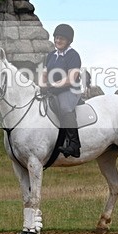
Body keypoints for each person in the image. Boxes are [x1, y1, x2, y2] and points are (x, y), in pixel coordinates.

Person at [39, 24, 82, 158]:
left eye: (61, 39)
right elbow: (44, 74)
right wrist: (40, 85)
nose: (58, 41)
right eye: (56, 38)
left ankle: (74, 145)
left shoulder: (73, 55)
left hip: (70, 90)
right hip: (53, 90)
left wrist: (52, 85)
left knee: (64, 107)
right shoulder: (51, 55)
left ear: (69, 41)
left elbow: (70, 79)